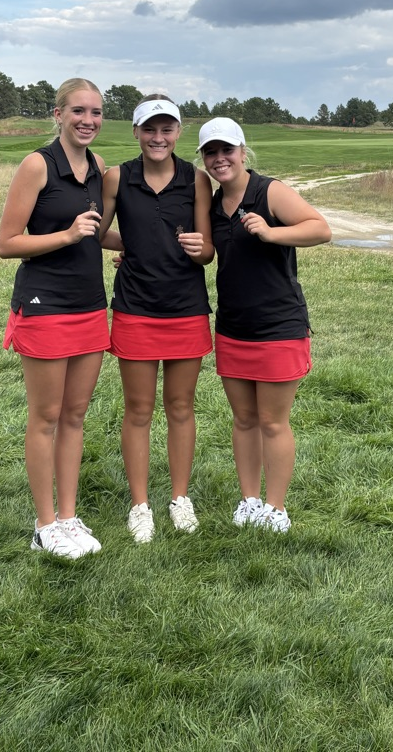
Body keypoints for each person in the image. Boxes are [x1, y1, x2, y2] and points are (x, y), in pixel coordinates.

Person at [0, 77, 122, 560]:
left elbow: (98, 233)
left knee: (74, 415)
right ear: (58, 114)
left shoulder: (98, 168)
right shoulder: (36, 165)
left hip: (90, 304)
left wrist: (146, 248)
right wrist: (66, 236)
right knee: (46, 417)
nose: (87, 120)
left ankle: (69, 517)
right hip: (45, 305)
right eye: (78, 112)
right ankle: (44, 523)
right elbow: (8, 244)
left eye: (95, 112)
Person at [197, 117, 331, 532]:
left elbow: (320, 229)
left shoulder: (268, 190)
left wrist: (272, 233)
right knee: (243, 420)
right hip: (234, 326)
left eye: (227, 150)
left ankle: (276, 507)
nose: (221, 159)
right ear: (204, 159)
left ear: (242, 151)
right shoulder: (215, 205)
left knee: (273, 421)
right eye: (211, 153)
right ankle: (249, 500)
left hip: (279, 325)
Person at [100, 95, 214, 543]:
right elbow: (97, 231)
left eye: (167, 129)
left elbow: (207, 250)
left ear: (178, 133)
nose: (158, 137)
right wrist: (126, 247)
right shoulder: (118, 177)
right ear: (136, 132)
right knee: (139, 409)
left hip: (186, 309)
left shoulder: (197, 180)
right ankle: (140, 504)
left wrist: (199, 249)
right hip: (135, 309)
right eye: (150, 129)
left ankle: (180, 498)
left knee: (181, 407)